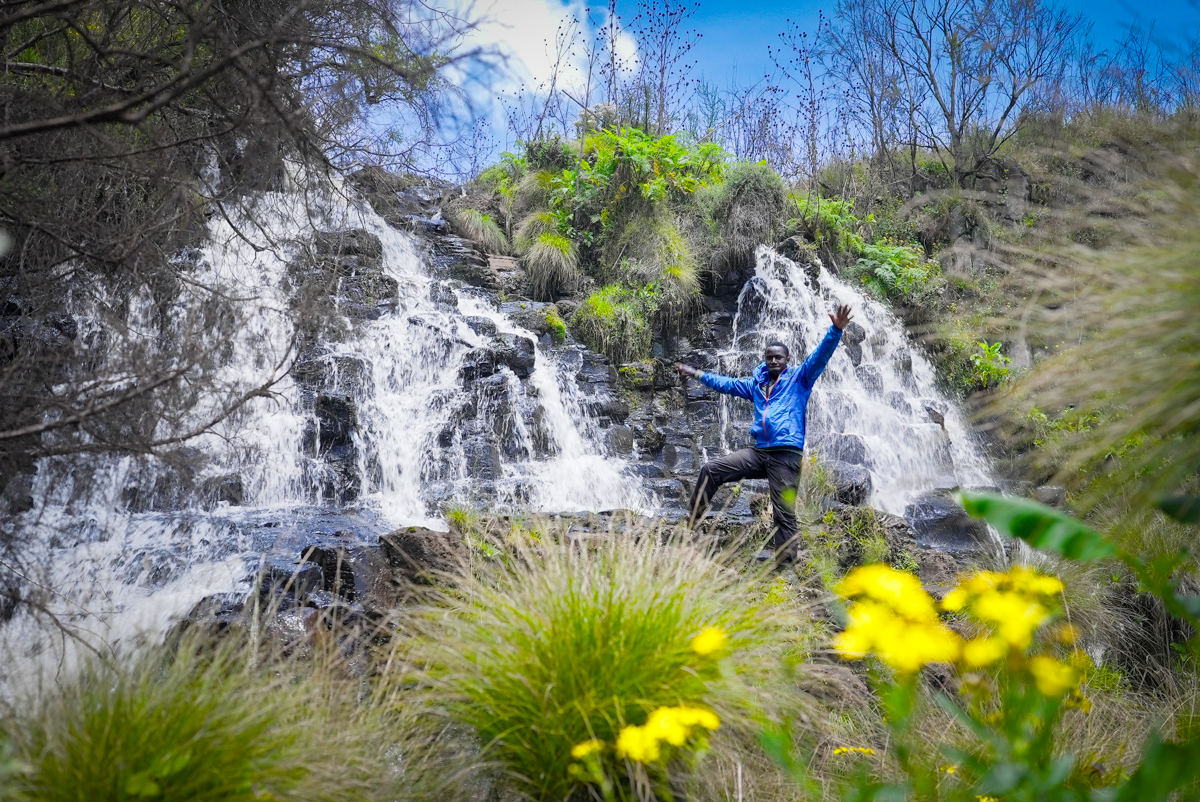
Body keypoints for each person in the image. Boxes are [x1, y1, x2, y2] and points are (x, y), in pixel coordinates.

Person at [674, 303, 854, 562]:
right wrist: (695, 373)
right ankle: (690, 526)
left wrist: (835, 330)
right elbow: (725, 384)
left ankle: (787, 568)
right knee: (711, 469)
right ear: (764, 359)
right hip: (759, 452)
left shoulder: (799, 379)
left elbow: (820, 357)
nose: (773, 361)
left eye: (778, 357)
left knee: (784, 513)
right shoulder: (755, 385)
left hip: (785, 455)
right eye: (769, 357)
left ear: (786, 359)